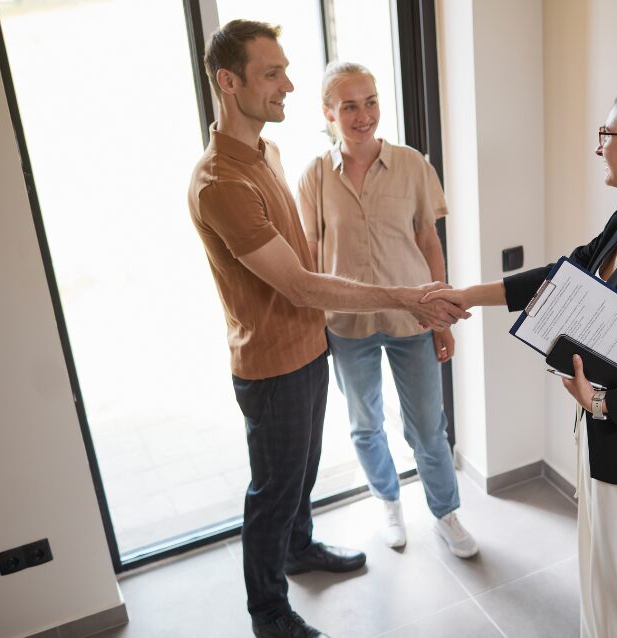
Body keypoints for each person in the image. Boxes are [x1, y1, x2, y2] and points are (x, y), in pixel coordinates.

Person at [187, 20, 469, 638]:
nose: (285, 82)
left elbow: (316, 256)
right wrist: (404, 296)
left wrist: (422, 304)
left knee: (303, 473)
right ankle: (269, 613)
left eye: (286, 70)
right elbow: (302, 280)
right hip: (274, 362)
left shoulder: (267, 153)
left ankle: (302, 548)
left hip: (311, 346)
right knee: (274, 489)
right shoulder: (222, 182)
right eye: (272, 73)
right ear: (228, 82)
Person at [424, 83, 617, 637]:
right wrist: (468, 295)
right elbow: (564, 278)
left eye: (605, 135)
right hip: (603, 430)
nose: (598, 147)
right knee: (600, 582)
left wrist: (604, 403)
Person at [296, 62, 477, 558]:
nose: (364, 115)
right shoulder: (314, 176)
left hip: (412, 319)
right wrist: (313, 322)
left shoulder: (413, 165)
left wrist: (441, 314)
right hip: (347, 325)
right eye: (350, 105)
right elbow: (311, 251)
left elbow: (427, 240)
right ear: (328, 113)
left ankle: (446, 513)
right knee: (365, 424)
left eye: (371, 101)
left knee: (427, 426)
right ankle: (388, 502)